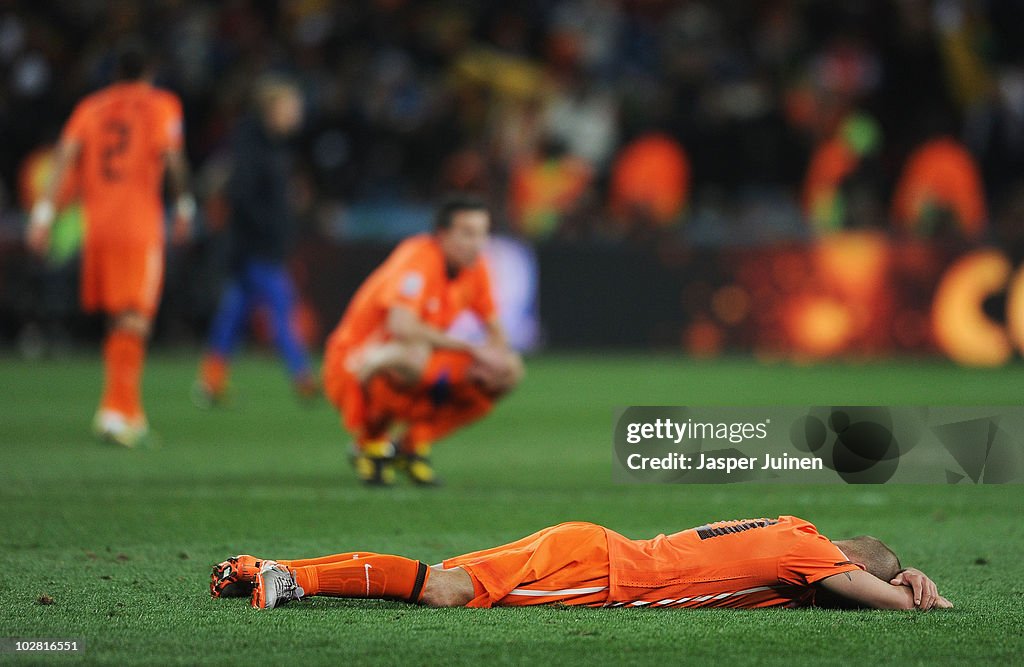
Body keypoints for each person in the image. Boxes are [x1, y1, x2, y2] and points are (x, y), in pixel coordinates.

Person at [210, 515, 952, 612]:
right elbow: (895, 606)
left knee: (442, 581)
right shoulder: (812, 555)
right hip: (606, 574)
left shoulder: (790, 527)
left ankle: (272, 568)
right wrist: (919, 591)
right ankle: (285, 573)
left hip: (592, 545)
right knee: (445, 590)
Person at [26, 39, 194, 447]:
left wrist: (44, 214)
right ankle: (116, 412)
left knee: (120, 318)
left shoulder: (90, 107)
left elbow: (65, 156)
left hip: (98, 225)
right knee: (135, 318)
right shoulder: (162, 104)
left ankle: (126, 411)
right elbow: (172, 157)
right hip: (138, 224)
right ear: (148, 73)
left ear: (115, 74)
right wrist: (184, 205)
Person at [322, 195, 523, 486]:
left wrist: (498, 356)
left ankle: (412, 443)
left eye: (482, 233)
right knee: (411, 355)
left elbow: (494, 327)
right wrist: (472, 349)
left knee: (509, 371)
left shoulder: (475, 268)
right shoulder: (418, 258)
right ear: (442, 235)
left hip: (419, 359)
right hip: (351, 363)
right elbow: (401, 326)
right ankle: (371, 441)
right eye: (467, 233)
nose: (476, 243)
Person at [193, 77, 317, 406]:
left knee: (234, 314)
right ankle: (303, 378)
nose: (297, 113)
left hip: (255, 247)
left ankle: (211, 381)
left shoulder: (271, 146)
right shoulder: (253, 147)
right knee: (282, 307)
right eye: (291, 107)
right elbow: (241, 195)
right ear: (272, 110)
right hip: (256, 249)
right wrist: (268, 231)